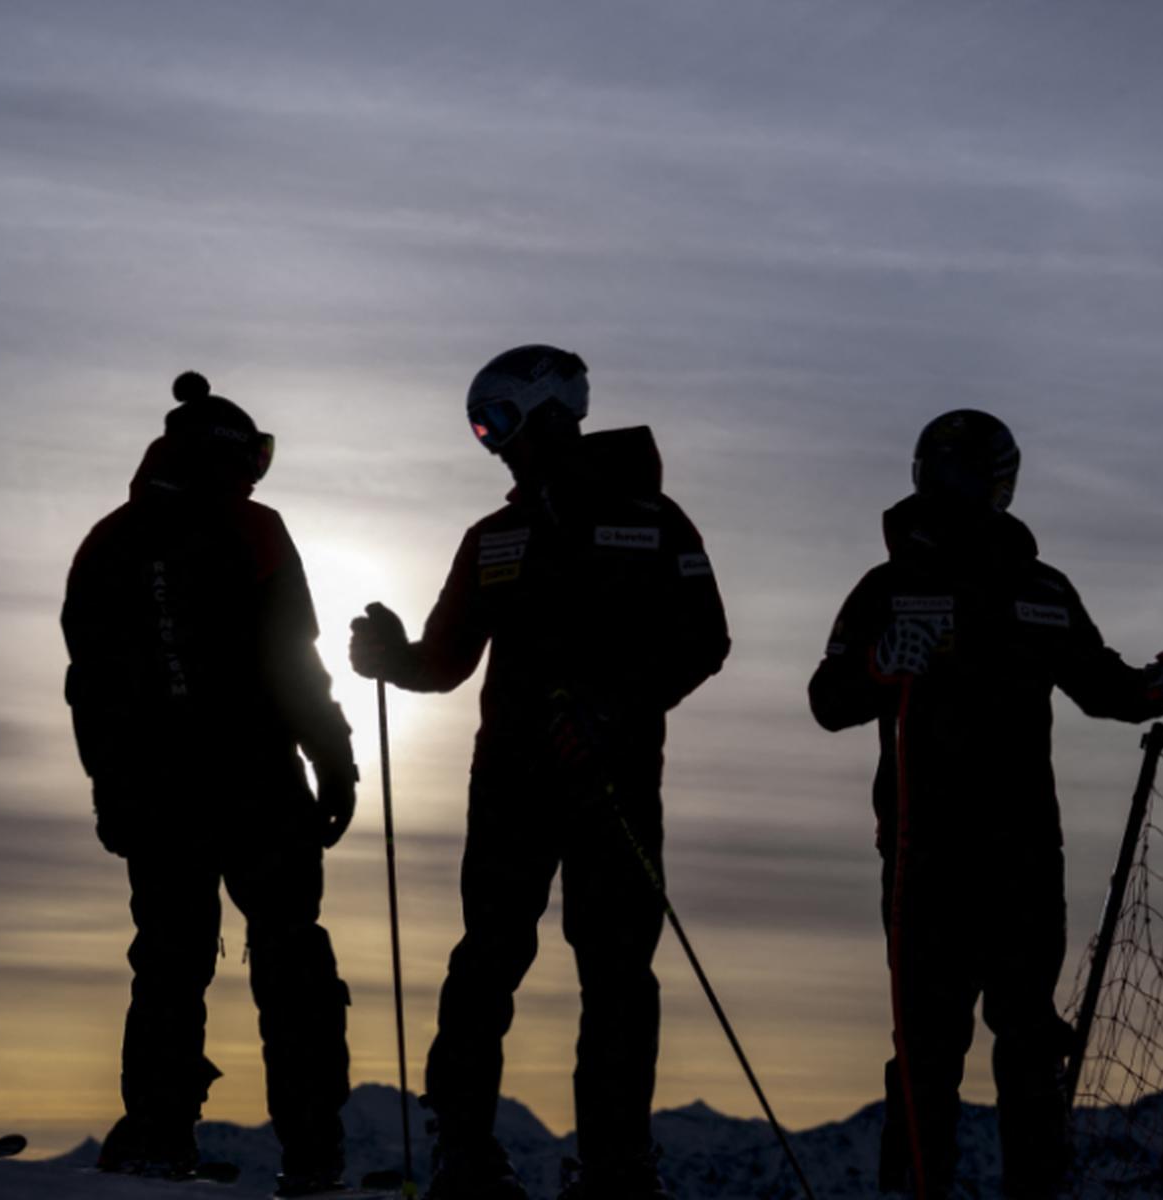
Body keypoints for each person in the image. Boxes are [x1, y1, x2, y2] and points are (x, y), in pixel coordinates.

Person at [350, 346, 730, 1200]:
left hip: (613, 781)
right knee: (490, 954)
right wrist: (390, 658)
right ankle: (466, 1150)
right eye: (481, 429)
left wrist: (613, 709)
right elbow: (443, 663)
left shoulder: (653, 521)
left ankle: (616, 1163)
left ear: (550, 411)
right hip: (512, 785)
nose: (491, 443)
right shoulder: (495, 538)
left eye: (497, 421)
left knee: (616, 968)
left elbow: (703, 640)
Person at [807, 409, 1163, 1199]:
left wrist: (1161, 686)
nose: (958, 487)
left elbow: (1104, 684)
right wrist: (882, 666)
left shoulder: (1040, 590)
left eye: (969, 473)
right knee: (927, 1048)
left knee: (1026, 1039)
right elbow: (828, 697)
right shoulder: (889, 588)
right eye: (947, 471)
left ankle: (1036, 1191)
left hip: (1021, 855)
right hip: (924, 855)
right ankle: (917, 1190)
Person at [62, 372, 359, 1196]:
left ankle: (159, 1133)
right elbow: (294, 660)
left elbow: (90, 683)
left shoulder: (109, 540)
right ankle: (311, 1148)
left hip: (156, 791)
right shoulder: (256, 530)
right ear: (237, 459)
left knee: (168, 960)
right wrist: (334, 759)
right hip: (258, 783)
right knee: (292, 960)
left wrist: (109, 784)